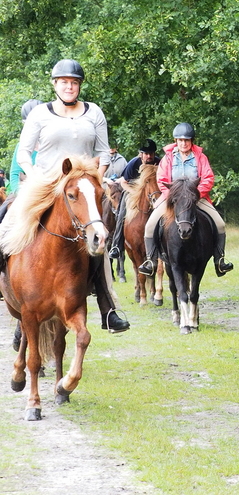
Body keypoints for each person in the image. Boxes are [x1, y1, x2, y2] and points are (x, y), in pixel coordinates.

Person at [12, 59, 130, 333]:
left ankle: (108, 306)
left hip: (83, 189)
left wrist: (98, 178)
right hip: (45, 187)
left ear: (79, 86)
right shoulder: (39, 114)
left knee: (98, 237)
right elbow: (23, 152)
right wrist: (36, 177)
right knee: (8, 219)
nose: (69, 86)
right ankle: (14, 293)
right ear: (55, 84)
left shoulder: (94, 113)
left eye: (74, 82)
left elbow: (103, 152)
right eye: (64, 82)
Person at [138, 123, 233, 278]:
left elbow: (208, 178)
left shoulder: (200, 157)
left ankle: (219, 260)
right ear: (176, 140)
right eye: (180, 140)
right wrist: (174, 196)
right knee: (149, 225)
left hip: (196, 197)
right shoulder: (168, 158)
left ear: (192, 141)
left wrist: (195, 194)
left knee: (220, 224)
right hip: (172, 198)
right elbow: (161, 180)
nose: (184, 143)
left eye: (187, 140)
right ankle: (151, 261)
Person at [107, 139, 161, 260]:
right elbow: (124, 183)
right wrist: (135, 193)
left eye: (151, 153)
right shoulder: (133, 163)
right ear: (141, 154)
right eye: (146, 153)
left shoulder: (159, 163)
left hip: (153, 192)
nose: (149, 156)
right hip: (132, 191)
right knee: (121, 213)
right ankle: (116, 245)